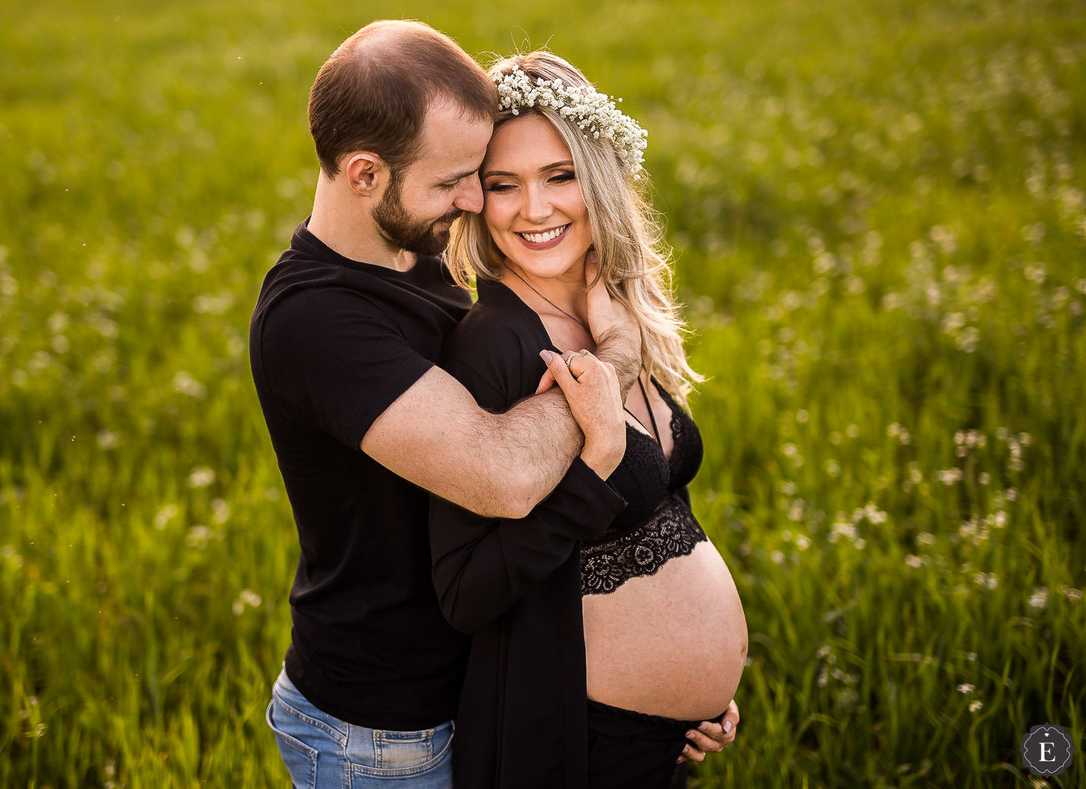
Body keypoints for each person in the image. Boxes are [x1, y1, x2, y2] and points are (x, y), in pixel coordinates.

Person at [249, 21, 648, 788]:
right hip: (381, 733)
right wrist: (612, 361)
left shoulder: (414, 253)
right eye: (451, 181)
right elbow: (501, 475)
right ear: (364, 174)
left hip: (474, 687)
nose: (473, 200)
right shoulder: (316, 322)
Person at [430, 51, 747, 788]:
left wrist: (701, 686)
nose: (533, 210)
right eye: (502, 185)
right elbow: (464, 591)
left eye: (559, 176)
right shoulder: (493, 347)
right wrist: (594, 468)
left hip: (666, 742)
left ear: (599, 176)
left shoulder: (614, 308)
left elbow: (662, 494)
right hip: (576, 743)